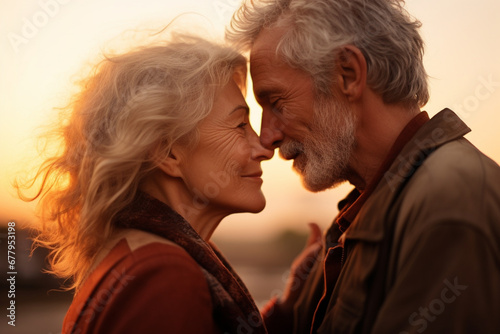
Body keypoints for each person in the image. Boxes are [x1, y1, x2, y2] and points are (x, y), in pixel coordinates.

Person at [227, 0, 500, 333]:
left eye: (276, 102)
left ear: (348, 73)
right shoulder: (369, 208)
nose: (266, 137)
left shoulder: (451, 201)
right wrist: (292, 310)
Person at [17, 34, 277, 333]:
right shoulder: (165, 276)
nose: (265, 148)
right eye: (241, 126)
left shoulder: (138, 256)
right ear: (168, 153)